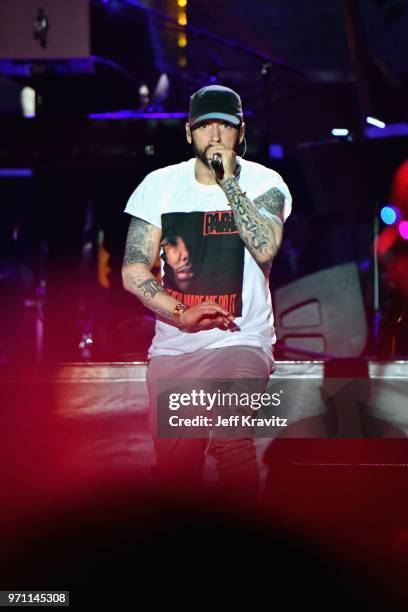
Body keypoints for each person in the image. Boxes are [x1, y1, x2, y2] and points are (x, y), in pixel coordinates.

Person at [122, 84, 292, 498]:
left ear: (241, 132)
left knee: (231, 439)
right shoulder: (159, 185)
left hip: (242, 342)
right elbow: (132, 270)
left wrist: (230, 183)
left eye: (225, 126)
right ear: (188, 132)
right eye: (204, 127)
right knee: (176, 471)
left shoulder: (266, 183)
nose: (214, 136)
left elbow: (266, 247)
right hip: (175, 348)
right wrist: (181, 313)